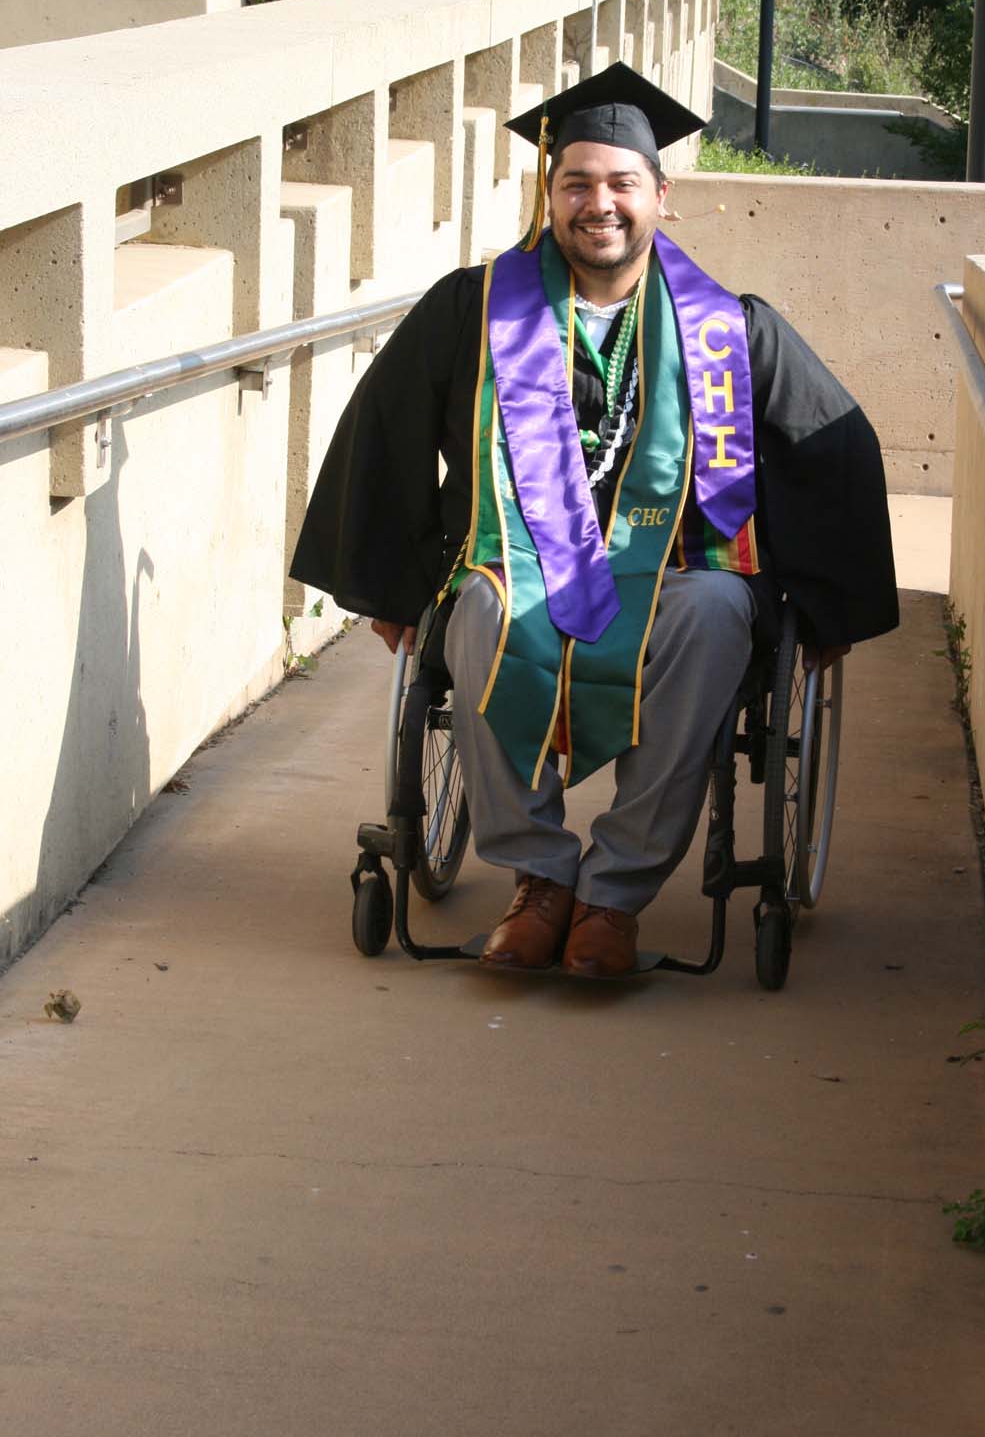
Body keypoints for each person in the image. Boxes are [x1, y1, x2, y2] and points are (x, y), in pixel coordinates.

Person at [291, 62, 898, 978]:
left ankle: (612, 898)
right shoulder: (478, 311)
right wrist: (395, 584)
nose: (598, 203)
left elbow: (832, 444)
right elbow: (384, 427)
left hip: (680, 580)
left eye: (622, 183)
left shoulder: (728, 330)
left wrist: (825, 610)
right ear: (550, 194)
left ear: (663, 196)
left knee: (719, 613)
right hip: (513, 567)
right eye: (576, 183)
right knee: (481, 615)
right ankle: (540, 882)